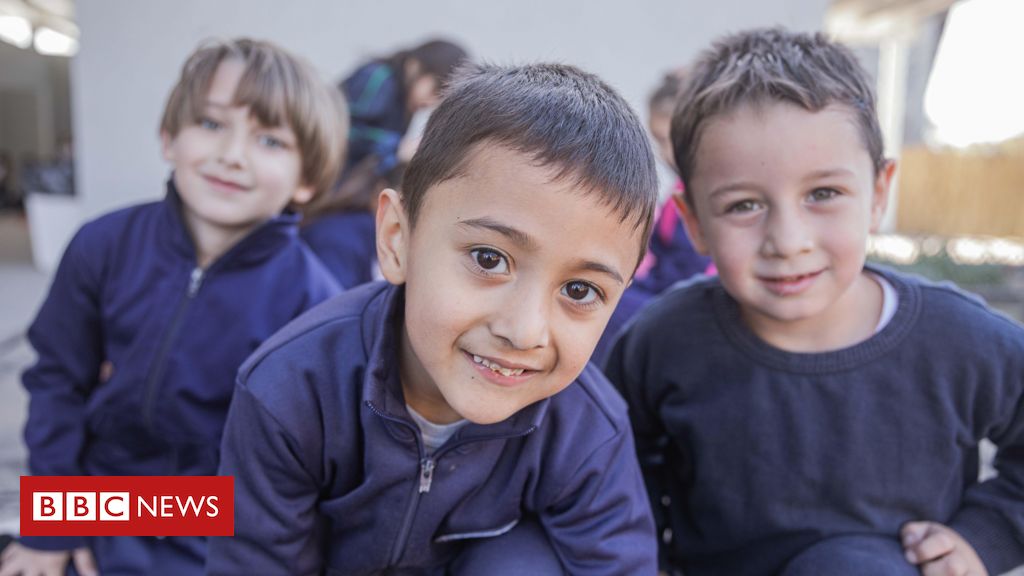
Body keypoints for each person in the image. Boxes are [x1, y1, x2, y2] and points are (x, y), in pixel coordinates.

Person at [207, 62, 660, 575]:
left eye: (580, 290)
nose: (524, 329)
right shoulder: (292, 388)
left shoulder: (586, 430)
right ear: (398, 240)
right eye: (489, 259)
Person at [605, 27, 1024, 576]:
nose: (789, 239)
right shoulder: (661, 342)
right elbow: (615, 469)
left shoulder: (962, 342)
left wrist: (985, 536)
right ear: (694, 224)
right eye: (744, 205)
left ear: (877, 194)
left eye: (823, 194)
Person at [2, 38, 346, 576]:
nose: (232, 155)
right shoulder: (103, 245)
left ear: (307, 179)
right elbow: (56, 382)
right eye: (211, 125)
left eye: (269, 140)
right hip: (92, 490)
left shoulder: (315, 301)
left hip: (221, 521)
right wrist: (54, 524)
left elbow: (294, 472)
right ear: (168, 137)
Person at [342, 38, 468, 174]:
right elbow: (345, 132)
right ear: (414, 66)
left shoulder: (405, 101)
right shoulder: (378, 77)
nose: (432, 102)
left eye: (441, 98)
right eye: (436, 91)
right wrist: (398, 148)